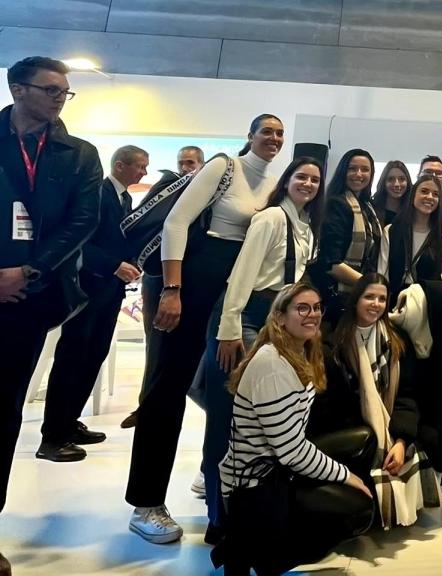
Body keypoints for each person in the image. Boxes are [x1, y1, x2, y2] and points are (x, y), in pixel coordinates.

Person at [125, 113, 284, 544]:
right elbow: (176, 223)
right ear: (250, 136)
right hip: (194, 283)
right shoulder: (223, 166)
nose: (273, 138)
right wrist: (172, 289)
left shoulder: (273, 183)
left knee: (224, 389)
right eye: (266, 131)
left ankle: (213, 481)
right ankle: (146, 502)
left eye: (279, 134)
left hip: (235, 292)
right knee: (166, 388)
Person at [0, 56, 102, 574]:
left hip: (29, 299)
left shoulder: (79, 154)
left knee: (3, 412)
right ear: (18, 89)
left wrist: (27, 272)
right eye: (50, 89)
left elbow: (82, 222)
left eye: (65, 91)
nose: (60, 97)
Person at [198, 157, 326, 541]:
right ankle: (219, 519)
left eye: (315, 179)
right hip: (247, 314)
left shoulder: (306, 227)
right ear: (287, 181)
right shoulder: (271, 219)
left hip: (279, 318)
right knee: (227, 418)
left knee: (263, 419)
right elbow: (241, 275)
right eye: (301, 176)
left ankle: (253, 510)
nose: (308, 183)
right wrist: (229, 328)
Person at [215, 282, 374, 575]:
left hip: (279, 465)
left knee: (364, 441)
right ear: (279, 317)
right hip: (255, 483)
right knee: (358, 507)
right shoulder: (272, 365)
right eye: (302, 308)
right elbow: (291, 451)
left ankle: (261, 543)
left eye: (316, 307)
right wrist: (345, 475)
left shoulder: (301, 351)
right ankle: (261, 550)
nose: (312, 314)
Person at [37, 145, 147, 462]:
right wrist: (114, 265)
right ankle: (52, 437)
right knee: (72, 359)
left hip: (109, 292)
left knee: (93, 356)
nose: (144, 173)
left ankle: (69, 423)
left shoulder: (124, 199)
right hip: (86, 290)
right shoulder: (98, 194)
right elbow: (79, 242)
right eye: (140, 166)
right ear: (120, 165)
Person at [320, 274, 442, 528]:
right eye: (369, 297)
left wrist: (400, 440)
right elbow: (334, 406)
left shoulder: (397, 339)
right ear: (356, 300)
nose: (376, 304)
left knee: (426, 439)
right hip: (353, 427)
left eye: (382, 299)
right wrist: (377, 434)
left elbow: (407, 393)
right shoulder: (334, 344)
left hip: (393, 421)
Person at [122, 145, 207, 430]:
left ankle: (158, 405)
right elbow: (144, 222)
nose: (185, 168)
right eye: (182, 162)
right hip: (157, 277)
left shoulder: (206, 191)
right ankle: (145, 406)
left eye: (191, 163)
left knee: (181, 351)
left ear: (202, 164)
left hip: (189, 280)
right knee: (156, 343)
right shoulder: (168, 185)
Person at [307, 148, 382, 330]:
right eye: (352, 168)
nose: (359, 174)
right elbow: (332, 263)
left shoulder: (368, 206)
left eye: (365, 169)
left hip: (355, 294)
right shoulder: (336, 204)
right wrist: (370, 286)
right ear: (343, 171)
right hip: (336, 296)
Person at [380, 174, 442, 304]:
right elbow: (382, 273)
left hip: (427, 305)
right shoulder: (391, 231)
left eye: (436, 194)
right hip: (393, 304)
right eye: (424, 191)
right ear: (413, 195)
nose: (430, 197)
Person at [371, 160, 411, 226]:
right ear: (383, 183)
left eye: (401, 179)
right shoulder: (371, 210)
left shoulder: (413, 212)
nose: (396, 184)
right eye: (391, 179)